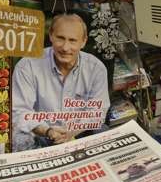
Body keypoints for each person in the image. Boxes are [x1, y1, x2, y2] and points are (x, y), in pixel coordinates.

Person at [12, 13, 110, 151]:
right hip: (41, 134)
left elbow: (98, 112)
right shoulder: (27, 65)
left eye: (72, 40)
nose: (65, 47)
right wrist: (48, 131)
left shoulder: (96, 68)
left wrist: (72, 131)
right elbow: (19, 112)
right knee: (19, 138)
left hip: (79, 133)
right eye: (60, 38)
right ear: (51, 36)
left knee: (103, 132)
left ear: (83, 42)